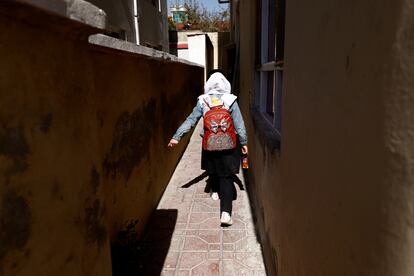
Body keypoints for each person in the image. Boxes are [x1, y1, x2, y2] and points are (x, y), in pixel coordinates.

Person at [168, 70, 248, 226]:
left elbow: (191, 120)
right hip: (229, 144)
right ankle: (225, 213)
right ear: (226, 85)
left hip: (209, 143)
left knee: (212, 167)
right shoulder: (231, 100)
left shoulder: (202, 101)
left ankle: (214, 190)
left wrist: (177, 137)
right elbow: (240, 125)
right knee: (226, 177)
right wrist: (244, 143)